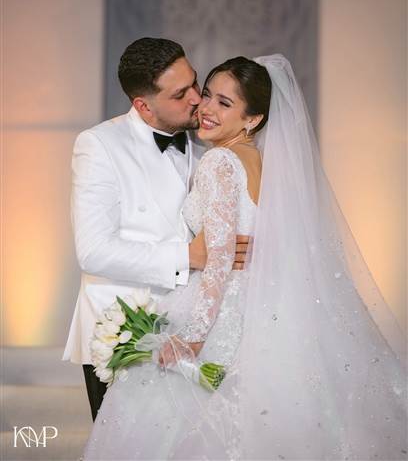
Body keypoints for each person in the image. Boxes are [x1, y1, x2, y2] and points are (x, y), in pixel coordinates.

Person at [83, 55, 407, 460]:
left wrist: (193, 337)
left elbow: (219, 260)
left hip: (220, 310)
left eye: (224, 103)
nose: (206, 108)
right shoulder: (264, 163)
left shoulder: (219, 161)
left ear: (252, 119)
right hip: (263, 305)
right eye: (206, 95)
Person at [62, 38, 249, 421]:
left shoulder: (209, 140)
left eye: (194, 82)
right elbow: (94, 251)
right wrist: (188, 255)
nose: (198, 100)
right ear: (143, 105)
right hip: (123, 330)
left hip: (192, 323)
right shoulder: (99, 145)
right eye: (180, 94)